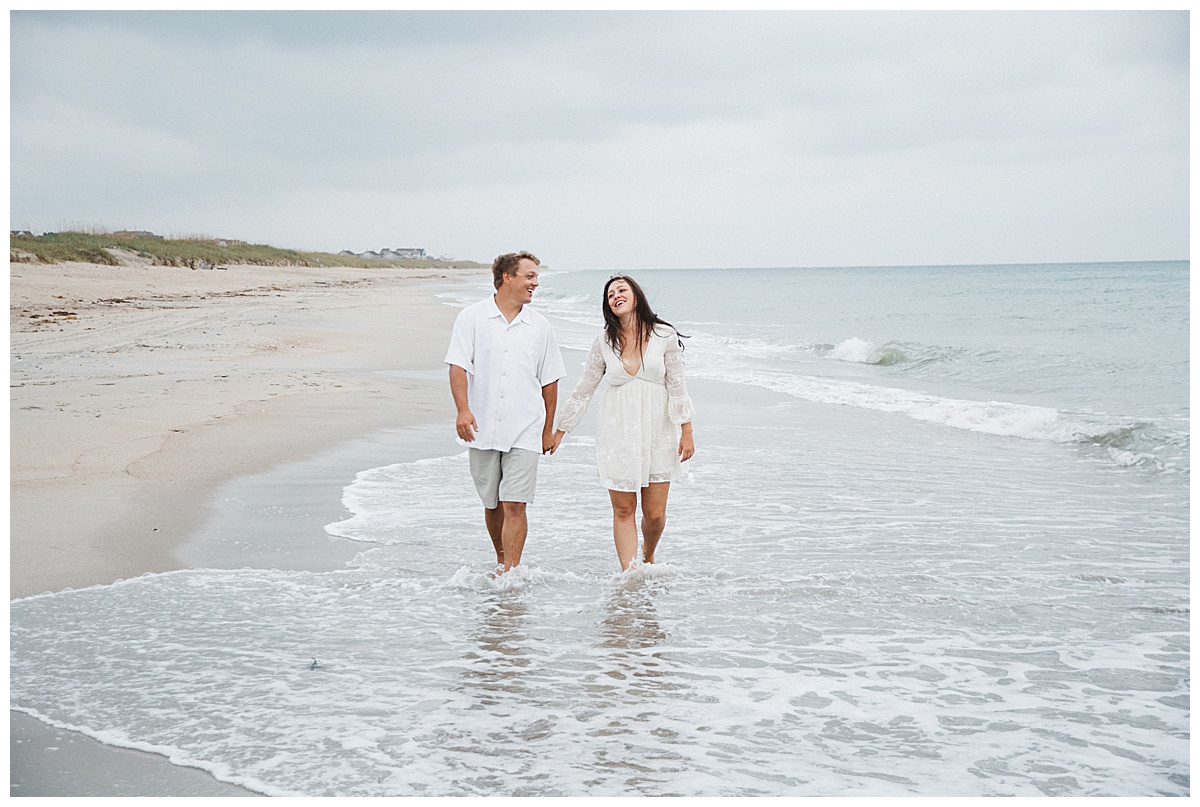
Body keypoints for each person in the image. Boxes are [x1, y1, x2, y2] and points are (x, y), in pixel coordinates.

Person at [548, 275, 695, 570]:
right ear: (608, 306)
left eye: (621, 290)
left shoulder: (664, 336)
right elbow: (584, 389)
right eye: (610, 294)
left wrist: (686, 430)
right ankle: (630, 576)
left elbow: (678, 386)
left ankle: (648, 554)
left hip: (658, 431)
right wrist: (560, 430)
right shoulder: (603, 342)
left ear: (636, 295)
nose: (615, 296)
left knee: (654, 515)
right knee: (624, 508)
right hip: (618, 432)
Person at [445, 251, 566, 573]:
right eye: (529, 276)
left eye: (536, 277)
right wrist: (463, 411)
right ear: (507, 277)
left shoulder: (540, 326)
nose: (535, 283)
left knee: (515, 503)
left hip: (526, 426)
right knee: (492, 502)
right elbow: (457, 366)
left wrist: (548, 429)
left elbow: (550, 381)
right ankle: (500, 558)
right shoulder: (471, 318)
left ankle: (510, 571)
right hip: (482, 425)